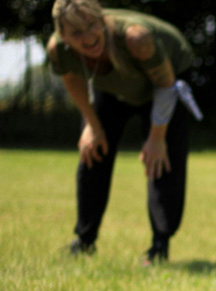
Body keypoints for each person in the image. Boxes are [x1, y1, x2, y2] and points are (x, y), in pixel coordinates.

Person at [47, 0, 201, 264]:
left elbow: (164, 85)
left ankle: (159, 247)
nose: (88, 37)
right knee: (92, 152)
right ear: (63, 36)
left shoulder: (135, 38)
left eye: (92, 25)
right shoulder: (59, 50)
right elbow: (72, 79)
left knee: (161, 161)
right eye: (76, 33)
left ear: (102, 18)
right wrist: (92, 126)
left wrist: (156, 138)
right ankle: (84, 240)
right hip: (114, 88)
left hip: (166, 83)